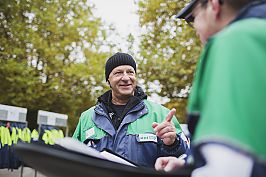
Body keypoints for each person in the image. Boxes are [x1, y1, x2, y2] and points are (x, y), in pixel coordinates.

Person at [155, 0, 266, 176]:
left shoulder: (235, 41)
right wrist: (187, 162)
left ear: (214, 5)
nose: (195, 28)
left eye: (193, 18)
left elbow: (228, 165)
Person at [73, 52, 190, 168]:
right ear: (108, 80)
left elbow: (187, 160)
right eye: (118, 73)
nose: (125, 78)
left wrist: (173, 144)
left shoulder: (162, 115)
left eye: (130, 72)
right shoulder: (87, 117)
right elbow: (73, 160)